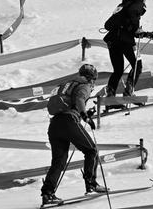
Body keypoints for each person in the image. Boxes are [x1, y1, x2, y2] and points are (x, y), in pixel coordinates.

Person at [41, 64, 108, 206]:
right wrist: (85, 116)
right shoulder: (85, 85)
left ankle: (47, 193)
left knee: (58, 162)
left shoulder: (67, 84)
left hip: (54, 125)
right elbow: (79, 99)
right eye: (94, 79)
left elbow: (72, 102)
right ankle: (91, 184)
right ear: (92, 78)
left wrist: (81, 113)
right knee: (91, 150)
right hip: (68, 122)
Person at [102, 0, 153, 101]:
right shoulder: (137, 5)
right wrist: (146, 34)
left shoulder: (123, 4)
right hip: (125, 40)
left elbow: (110, 24)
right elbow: (133, 28)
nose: (145, 0)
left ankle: (110, 98)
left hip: (112, 40)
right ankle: (129, 92)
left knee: (117, 70)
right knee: (137, 65)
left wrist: (139, 31)